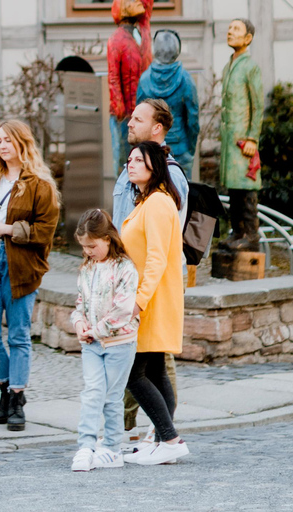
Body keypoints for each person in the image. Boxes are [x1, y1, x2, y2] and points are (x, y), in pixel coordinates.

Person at [0, 120, 60, 432]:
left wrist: (8, 229)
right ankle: (6, 386)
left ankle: (16, 398)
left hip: (20, 267)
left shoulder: (40, 184)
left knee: (19, 335)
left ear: (22, 143)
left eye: (8, 140)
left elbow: (46, 231)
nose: (3, 146)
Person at [111, 98, 187, 447]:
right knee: (154, 370)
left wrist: (138, 301)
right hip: (140, 291)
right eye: (129, 161)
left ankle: (167, 438)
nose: (131, 164)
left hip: (149, 296)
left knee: (136, 373)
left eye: (138, 161)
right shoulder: (146, 197)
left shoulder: (158, 200)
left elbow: (159, 256)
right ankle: (163, 439)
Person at [70, 209, 139, 472]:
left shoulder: (125, 268)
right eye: (84, 246)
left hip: (119, 343)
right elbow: (79, 303)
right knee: (91, 393)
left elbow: (123, 310)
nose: (88, 251)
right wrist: (79, 323)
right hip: (92, 344)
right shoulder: (87, 268)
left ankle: (111, 446)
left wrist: (96, 331)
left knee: (111, 396)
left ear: (108, 239)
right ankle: (86, 445)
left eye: (92, 245)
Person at [217, 18, 264, 252]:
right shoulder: (229, 66)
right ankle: (237, 232)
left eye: (236, 29)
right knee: (233, 190)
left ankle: (252, 234)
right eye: (229, 28)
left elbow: (258, 105)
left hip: (244, 142)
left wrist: (253, 138)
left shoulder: (250, 66)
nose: (230, 32)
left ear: (248, 38)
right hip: (230, 142)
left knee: (246, 190)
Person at [137, 29, 200, 175]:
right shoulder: (186, 79)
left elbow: (139, 119)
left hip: (153, 148)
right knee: (181, 194)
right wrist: (190, 149)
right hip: (180, 146)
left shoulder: (145, 79)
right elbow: (193, 120)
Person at [107, 0, 154, 176]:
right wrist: (121, 111)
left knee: (144, 158)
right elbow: (113, 77)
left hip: (141, 109)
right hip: (125, 113)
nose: (140, 3)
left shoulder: (141, 32)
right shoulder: (117, 39)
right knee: (125, 160)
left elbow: (147, 7)